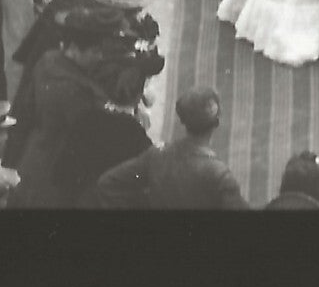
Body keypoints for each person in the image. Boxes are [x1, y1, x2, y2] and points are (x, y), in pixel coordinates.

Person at [7, 6, 156, 208]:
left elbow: (26, 112)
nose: (99, 57)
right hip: (55, 172)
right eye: (94, 52)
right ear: (75, 48)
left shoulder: (48, 60)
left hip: (33, 156)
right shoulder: (77, 93)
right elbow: (93, 141)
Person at [94, 86, 251, 209]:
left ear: (182, 121)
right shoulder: (220, 175)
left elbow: (107, 184)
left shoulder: (157, 155)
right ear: (217, 123)